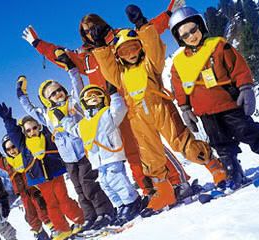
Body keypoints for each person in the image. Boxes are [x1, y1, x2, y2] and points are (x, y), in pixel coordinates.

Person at [21, 0, 190, 203]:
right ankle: (150, 190)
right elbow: (60, 54)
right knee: (131, 152)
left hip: (134, 101)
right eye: (86, 31)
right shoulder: (86, 57)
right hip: (110, 111)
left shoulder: (121, 38)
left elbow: (149, 30)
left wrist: (170, 13)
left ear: (102, 24)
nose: (91, 32)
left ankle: (177, 181)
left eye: (93, 27)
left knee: (149, 145)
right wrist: (38, 43)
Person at [91, 11, 228, 215]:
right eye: (124, 52)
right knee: (150, 156)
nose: (130, 54)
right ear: (118, 56)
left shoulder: (149, 65)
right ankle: (164, 192)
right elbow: (107, 68)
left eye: (134, 48)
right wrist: (101, 46)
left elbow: (154, 50)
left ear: (140, 48)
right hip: (137, 116)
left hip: (160, 108)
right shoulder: (119, 74)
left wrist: (143, 26)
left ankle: (215, 167)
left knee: (182, 142)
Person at [168, 7, 259, 188]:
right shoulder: (178, 64)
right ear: (180, 39)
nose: (191, 36)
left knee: (249, 132)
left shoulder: (218, 47)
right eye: (185, 35)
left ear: (201, 26)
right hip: (205, 114)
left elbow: (238, 68)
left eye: (193, 30)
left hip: (228, 105)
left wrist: (246, 88)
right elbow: (179, 88)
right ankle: (234, 172)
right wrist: (185, 109)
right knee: (221, 144)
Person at [16, 50, 115, 232]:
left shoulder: (74, 103)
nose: (57, 95)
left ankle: (105, 212)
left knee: (88, 185)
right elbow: (31, 110)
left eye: (58, 90)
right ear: (46, 100)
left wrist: (70, 67)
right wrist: (21, 95)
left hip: (84, 151)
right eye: (52, 94)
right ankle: (90, 217)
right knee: (79, 189)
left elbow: (77, 85)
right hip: (68, 158)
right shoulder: (47, 115)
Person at [0, 103, 84, 240]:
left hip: (55, 174)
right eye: (28, 130)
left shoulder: (46, 136)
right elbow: (13, 133)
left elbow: (44, 119)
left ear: (39, 127)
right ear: (24, 133)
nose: (32, 132)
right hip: (40, 180)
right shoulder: (23, 145)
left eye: (34, 128)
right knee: (51, 205)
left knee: (64, 200)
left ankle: (79, 219)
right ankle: (62, 229)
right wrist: (8, 120)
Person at [61, 82, 142, 225]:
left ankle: (132, 202)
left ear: (102, 99)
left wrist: (114, 94)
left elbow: (119, 110)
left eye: (97, 95)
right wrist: (63, 119)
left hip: (111, 155)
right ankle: (120, 205)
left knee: (116, 180)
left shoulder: (107, 114)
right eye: (88, 96)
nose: (93, 97)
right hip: (97, 161)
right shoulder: (84, 124)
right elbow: (73, 129)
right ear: (84, 103)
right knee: (105, 184)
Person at [0, 137, 52, 240]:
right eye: (8, 149)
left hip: (35, 189)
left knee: (42, 210)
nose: (12, 150)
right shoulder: (8, 163)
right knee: (30, 216)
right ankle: (41, 235)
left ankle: (55, 229)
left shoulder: (27, 156)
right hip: (23, 193)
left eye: (14, 147)